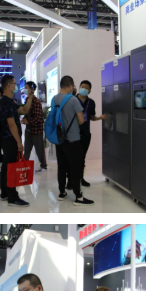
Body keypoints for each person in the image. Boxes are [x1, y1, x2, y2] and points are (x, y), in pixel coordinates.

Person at [53, 76, 93, 206]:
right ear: (70, 86)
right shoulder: (73, 99)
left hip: (59, 139)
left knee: (61, 166)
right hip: (73, 139)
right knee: (75, 167)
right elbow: (81, 120)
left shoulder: (54, 99)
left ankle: (62, 192)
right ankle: (78, 197)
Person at [0, 74, 30, 207]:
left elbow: (24, 110)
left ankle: (4, 193)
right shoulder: (6, 102)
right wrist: (19, 142)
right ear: (9, 85)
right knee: (11, 167)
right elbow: (11, 124)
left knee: (6, 166)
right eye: (15, 84)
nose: (16, 86)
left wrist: (30, 97)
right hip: (10, 140)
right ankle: (12, 197)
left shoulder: (10, 102)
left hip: (7, 140)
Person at [72, 81, 106, 188]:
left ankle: (81, 178)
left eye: (86, 88)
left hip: (86, 133)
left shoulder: (91, 102)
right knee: (73, 157)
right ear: (79, 88)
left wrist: (99, 118)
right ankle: (71, 180)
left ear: (89, 91)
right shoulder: (72, 100)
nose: (84, 89)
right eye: (82, 87)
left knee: (82, 157)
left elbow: (91, 117)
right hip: (73, 134)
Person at [20, 82, 47, 173]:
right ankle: (24, 166)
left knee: (39, 149)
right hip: (28, 129)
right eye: (25, 87)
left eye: (27, 87)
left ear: (32, 89)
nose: (25, 89)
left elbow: (38, 117)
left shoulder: (36, 101)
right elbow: (27, 112)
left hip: (36, 130)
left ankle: (43, 166)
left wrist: (28, 121)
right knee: (27, 149)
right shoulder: (27, 99)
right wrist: (24, 118)